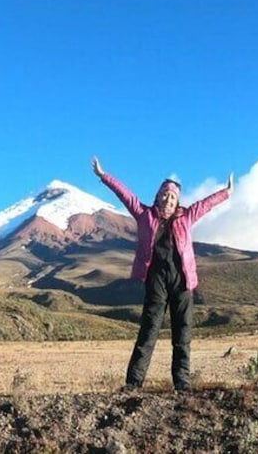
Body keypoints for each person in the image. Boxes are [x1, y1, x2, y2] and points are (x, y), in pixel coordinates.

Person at [92, 156, 233, 391]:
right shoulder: (144, 215)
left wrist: (226, 192)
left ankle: (182, 384)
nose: (168, 199)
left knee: (183, 334)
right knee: (149, 331)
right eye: (165, 195)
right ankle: (133, 383)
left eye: (173, 197)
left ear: (177, 201)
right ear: (157, 196)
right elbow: (125, 195)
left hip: (182, 281)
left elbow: (206, 204)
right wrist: (103, 176)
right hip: (156, 280)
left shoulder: (187, 216)